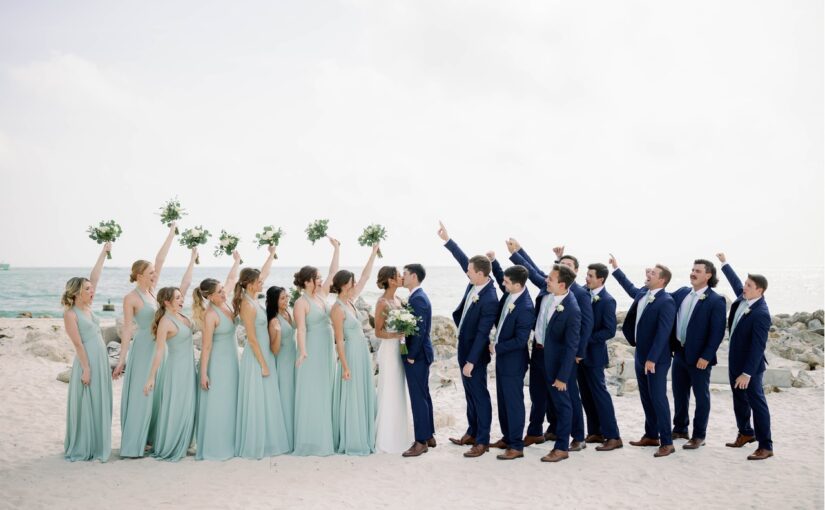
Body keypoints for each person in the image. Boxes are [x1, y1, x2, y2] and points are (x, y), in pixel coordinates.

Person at [116, 223, 194, 458]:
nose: (155, 274)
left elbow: (160, 260)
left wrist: (171, 234)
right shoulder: (131, 297)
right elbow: (128, 329)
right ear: (140, 275)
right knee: (143, 393)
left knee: (157, 395)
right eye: (150, 272)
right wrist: (121, 360)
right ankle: (134, 443)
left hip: (162, 347)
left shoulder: (153, 291)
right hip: (142, 349)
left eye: (154, 272)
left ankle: (151, 439)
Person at [439, 222, 498, 458]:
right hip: (463, 347)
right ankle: (472, 431)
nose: (467, 272)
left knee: (480, 395)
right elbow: (465, 261)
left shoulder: (490, 297)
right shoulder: (475, 282)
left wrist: (472, 361)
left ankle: (482, 440)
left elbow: (483, 333)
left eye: (470, 271)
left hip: (476, 354)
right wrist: (448, 240)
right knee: (469, 394)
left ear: (482, 274)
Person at [610, 255, 677, 458]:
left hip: (656, 358)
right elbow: (629, 287)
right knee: (646, 397)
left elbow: (663, 333)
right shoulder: (642, 293)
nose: (648, 275)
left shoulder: (666, 301)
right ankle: (651, 435)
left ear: (662, 280)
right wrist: (616, 269)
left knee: (658, 398)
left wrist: (652, 359)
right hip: (640, 354)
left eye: (653, 273)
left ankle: (667, 442)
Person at [234, 246, 290, 458]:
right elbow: (252, 339)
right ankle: (257, 442)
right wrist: (264, 364)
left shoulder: (253, 300)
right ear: (249, 284)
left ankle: (268, 440)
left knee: (268, 397)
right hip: (257, 357)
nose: (262, 283)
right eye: (258, 282)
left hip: (265, 354)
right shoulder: (246, 305)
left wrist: (271, 254)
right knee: (258, 398)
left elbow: (264, 273)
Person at [717, 253, 773, 460]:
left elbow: (758, 347)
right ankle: (746, 433)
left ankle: (766, 446)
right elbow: (735, 282)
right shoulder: (743, 299)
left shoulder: (761, 313)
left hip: (750, 368)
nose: (744, 287)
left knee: (757, 403)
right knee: (739, 400)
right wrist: (724, 263)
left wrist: (747, 373)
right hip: (735, 362)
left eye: (749, 285)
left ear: (760, 290)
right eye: (745, 284)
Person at [62, 242, 113, 462]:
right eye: (87, 290)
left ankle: (98, 443)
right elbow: (78, 344)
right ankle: (86, 445)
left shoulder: (88, 307)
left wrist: (104, 252)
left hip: (100, 358)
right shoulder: (71, 314)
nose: (91, 292)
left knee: (101, 400)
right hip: (87, 360)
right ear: (76, 293)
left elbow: (95, 276)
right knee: (87, 402)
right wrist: (85, 368)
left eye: (91, 289)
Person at [668, 259, 726, 449]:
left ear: (708, 275)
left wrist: (706, 356)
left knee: (701, 397)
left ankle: (699, 435)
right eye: (692, 269)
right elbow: (660, 295)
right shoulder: (684, 293)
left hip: (700, 357)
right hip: (680, 353)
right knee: (679, 393)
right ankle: (680, 428)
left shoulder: (716, 300)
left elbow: (717, 332)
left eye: (698, 271)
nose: (693, 273)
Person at [292, 237, 341, 456]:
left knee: (326, 389)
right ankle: (313, 441)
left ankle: (327, 436)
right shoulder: (301, 303)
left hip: (326, 349)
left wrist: (337, 249)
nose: (321, 281)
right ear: (307, 282)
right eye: (316, 278)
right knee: (314, 393)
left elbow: (333, 273)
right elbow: (301, 329)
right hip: (311, 351)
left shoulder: (321, 296)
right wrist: (303, 351)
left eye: (320, 277)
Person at [192, 250, 242, 460]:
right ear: (210, 296)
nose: (224, 293)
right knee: (219, 403)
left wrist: (237, 261)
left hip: (232, 360)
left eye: (223, 290)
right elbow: (206, 347)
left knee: (231, 400)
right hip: (218, 364)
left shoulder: (226, 303)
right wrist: (203, 374)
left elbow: (232, 279)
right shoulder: (211, 315)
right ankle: (216, 446)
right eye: (220, 292)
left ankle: (232, 442)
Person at [330, 244, 380, 455]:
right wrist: (345, 365)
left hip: (362, 353)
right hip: (349, 353)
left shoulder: (350, 300)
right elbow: (339, 340)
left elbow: (365, 277)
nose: (354, 285)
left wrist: (373, 253)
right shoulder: (337, 309)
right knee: (352, 395)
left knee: (363, 392)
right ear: (343, 285)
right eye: (351, 283)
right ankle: (353, 438)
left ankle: (365, 433)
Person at [488, 254, 534, 460]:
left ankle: (516, 445)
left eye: (506, 282)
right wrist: (494, 262)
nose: (503, 285)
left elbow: (520, 340)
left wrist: (497, 347)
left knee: (514, 402)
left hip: (514, 361)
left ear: (517, 285)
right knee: (504, 400)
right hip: (503, 360)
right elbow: (500, 278)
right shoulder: (510, 295)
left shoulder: (525, 307)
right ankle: (507, 437)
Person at [144, 285, 197, 462]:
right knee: (177, 405)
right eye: (177, 298)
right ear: (167, 302)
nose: (182, 300)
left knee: (189, 405)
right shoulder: (166, 322)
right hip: (177, 369)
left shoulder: (182, 316)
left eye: (181, 297)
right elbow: (159, 351)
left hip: (190, 367)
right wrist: (151, 377)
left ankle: (185, 440)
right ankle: (172, 444)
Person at [539, 265, 582, 463]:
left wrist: (563, 377)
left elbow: (571, 346)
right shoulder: (553, 298)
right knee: (556, 405)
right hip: (546, 361)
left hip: (559, 367)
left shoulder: (571, 309)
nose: (547, 280)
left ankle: (562, 447)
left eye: (550, 278)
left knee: (564, 406)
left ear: (562, 284)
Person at [581, 263, 623, 452]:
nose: (586, 278)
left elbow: (609, 330)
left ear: (601, 279)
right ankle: (595, 432)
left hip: (594, 354)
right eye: (587, 274)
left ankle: (613, 436)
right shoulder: (582, 293)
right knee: (586, 395)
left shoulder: (607, 300)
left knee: (600, 394)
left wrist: (585, 339)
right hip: (579, 355)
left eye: (590, 276)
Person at [373, 266, 414, 454]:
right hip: (389, 350)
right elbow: (378, 331)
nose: (400, 277)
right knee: (389, 389)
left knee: (399, 389)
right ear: (390, 280)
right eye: (397, 275)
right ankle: (387, 438)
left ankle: (400, 434)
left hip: (400, 349)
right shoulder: (382, 302)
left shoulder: (399, 300)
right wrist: (394, 335)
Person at [400, 263, 435, 457]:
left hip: (418, 356)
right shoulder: (415, 297)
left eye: (404, 274)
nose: (402, 277)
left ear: (414, 276)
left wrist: (411, 355)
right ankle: (428, 435)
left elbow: (420, 332)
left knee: (418, 398)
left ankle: (421, 441)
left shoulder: (418, 299)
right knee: (423, 394)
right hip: (420, 355)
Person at [266, 285, 297, 452]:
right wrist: (277, 332)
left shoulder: (287, 313)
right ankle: (285, 439)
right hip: (283, 361)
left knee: (293, 396)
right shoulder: (274, 320)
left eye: (287, 297)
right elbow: (274, 349)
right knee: (285, 397)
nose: (286, 300)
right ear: (274, 301)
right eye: (282, 298)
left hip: (293, 358)